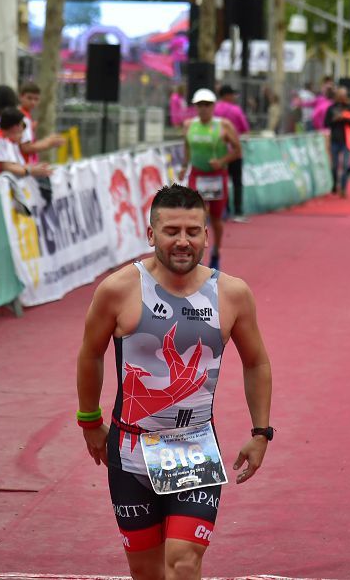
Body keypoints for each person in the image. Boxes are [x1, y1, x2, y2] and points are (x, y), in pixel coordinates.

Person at [76, 184, 273, 580]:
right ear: (151, 235)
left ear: (206, 234)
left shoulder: (231, 294)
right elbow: (90, 353)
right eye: (171, 231)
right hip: (129, 450)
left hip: (193, 448)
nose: (183, 241)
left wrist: (261, 431)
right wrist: (89, 420)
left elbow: (256, 362)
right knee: (147, 573)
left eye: (193, 231)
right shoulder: (118, 290)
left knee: (183, 563)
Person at [182, 89, 242, 271]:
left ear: (213, 106)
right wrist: (184, 165)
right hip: (197, 175)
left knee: (216, 219)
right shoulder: (188, 125)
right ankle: (197, 253)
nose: (203, 109)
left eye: (207, 105)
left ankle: (216, 251)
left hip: (216, 177)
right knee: (195, 216)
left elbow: (238, 151)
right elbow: (187, 146)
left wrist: (222, 161)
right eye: (200, 105)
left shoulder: (224, 125)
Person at [0, 107, 51, 181]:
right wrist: (30, 171)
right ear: (15, 126)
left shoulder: (7, 140)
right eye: (21, 125)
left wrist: (36, 168)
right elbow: (7, 166)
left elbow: (15, 165)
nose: (22, 133)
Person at [213, 85, 250, 223]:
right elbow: (245, 129)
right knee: (236, 181)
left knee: (221, 181)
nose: (234, 97)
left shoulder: (214, 109)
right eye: (233, 94)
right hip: (234, 151)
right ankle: (238, 211)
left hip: (217, 151)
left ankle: (224, 210)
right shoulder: (236, 110)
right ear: (227, 95)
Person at [324, 87, 350, 198]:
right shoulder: (331, 108)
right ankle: (334, 185)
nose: (341, 97)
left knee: (345, 166)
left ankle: (344, 188)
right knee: (334, 166)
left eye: (343, 95)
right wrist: (335, 119)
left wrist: (344, 118)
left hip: (347, 141)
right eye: (339, 95)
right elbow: (326, 123)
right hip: (335, 140)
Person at [17, 82, 65, 164]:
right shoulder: (23, 117)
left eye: (36, 99)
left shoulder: (26, 116)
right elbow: (26, 148)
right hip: (23, 165)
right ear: (20, 97)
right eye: (29, 98)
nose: (33, 102)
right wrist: (48, 142)